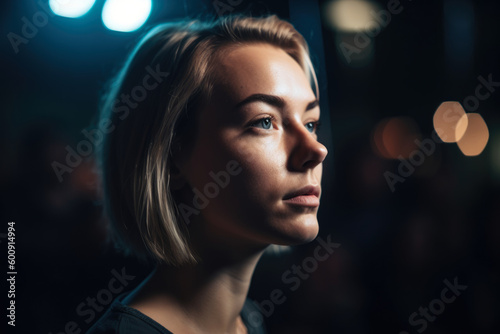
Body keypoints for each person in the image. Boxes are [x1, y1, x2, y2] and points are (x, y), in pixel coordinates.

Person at [87, 14, 328, 334]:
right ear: (171, 159)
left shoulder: (250, 321)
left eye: (310, 124)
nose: (315, 150)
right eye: (265, 121)